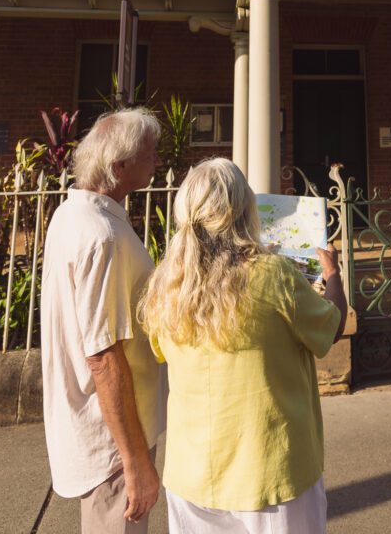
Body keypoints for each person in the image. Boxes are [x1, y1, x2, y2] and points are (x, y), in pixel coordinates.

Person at [139, 156, 347, 534]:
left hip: (192, 475)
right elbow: (331, 327)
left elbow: (159, 352)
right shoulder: (273, 274)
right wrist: (332, 274)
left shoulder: (166, 284)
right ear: (243, 209)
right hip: (270, 473)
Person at [41, 108, 167, 533]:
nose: (157, 161)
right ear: (119, 167)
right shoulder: (103, 236)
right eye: (150, 155)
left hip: (100, 429)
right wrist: (135, 463)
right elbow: (103, 356)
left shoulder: (70, 216)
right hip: (113, 443)